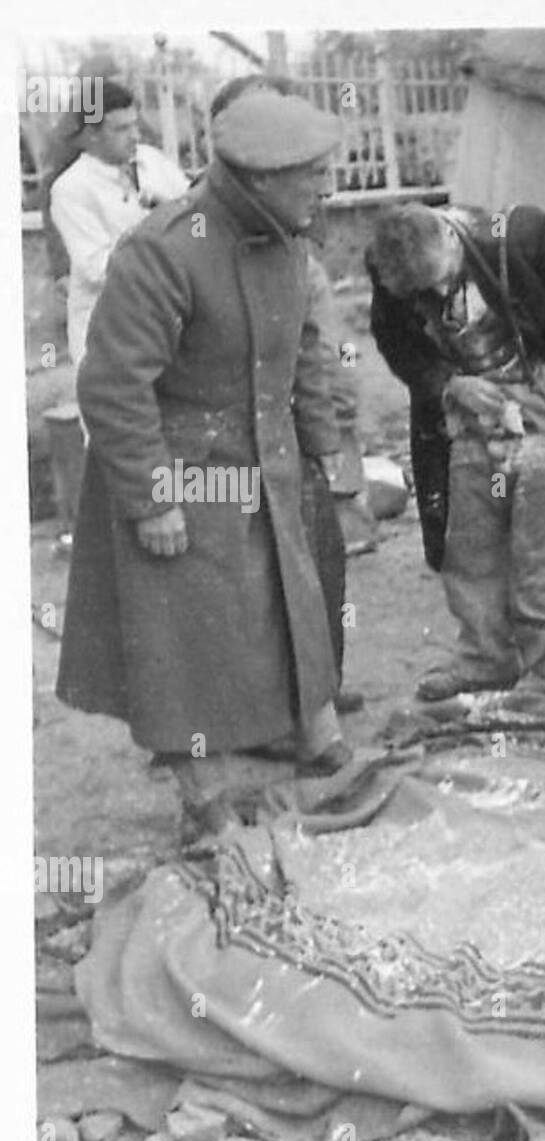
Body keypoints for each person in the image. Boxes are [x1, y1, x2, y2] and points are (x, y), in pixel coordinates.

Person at [55, 92, 352, 844]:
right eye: (312, 176)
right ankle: (205, 787)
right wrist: (153, 498)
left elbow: (306, 360)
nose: (327, 189)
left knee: (286, 604)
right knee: (186, 638)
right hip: (181, 469)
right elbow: (113, 384)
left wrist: (330, 458)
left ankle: (312, 732)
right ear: (259, 178)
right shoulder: (163, 249)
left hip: (267, 458)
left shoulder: (289, 238)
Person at [366, 200, 545, 700]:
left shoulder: (519, 235)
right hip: (470, 418)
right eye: (421, 292)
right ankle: (485, 658)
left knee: (540, 544)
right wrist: (450, 383)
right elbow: (395, 342)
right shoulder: (392, 269)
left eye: (440, 279)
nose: (435, 294)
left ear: (452, 240)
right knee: (469, 545)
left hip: (542, 407)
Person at [208, 74, 372, 716]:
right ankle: (263, 706)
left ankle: (321, 684)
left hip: (304, 357)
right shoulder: (207, 223)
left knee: (322, 545)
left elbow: (317, 340)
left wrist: (328, 428)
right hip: (243, 421)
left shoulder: (300, 212)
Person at [49, 79, 190, 370]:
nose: (136, 136)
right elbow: (95, 268)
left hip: (165, 320)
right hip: (109, 332)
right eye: (122, 129)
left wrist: (184, 218)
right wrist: (160, 227)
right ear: (92, 135)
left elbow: (200, 220)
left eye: (135, 125)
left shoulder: (153, 161)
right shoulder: (71, 189)